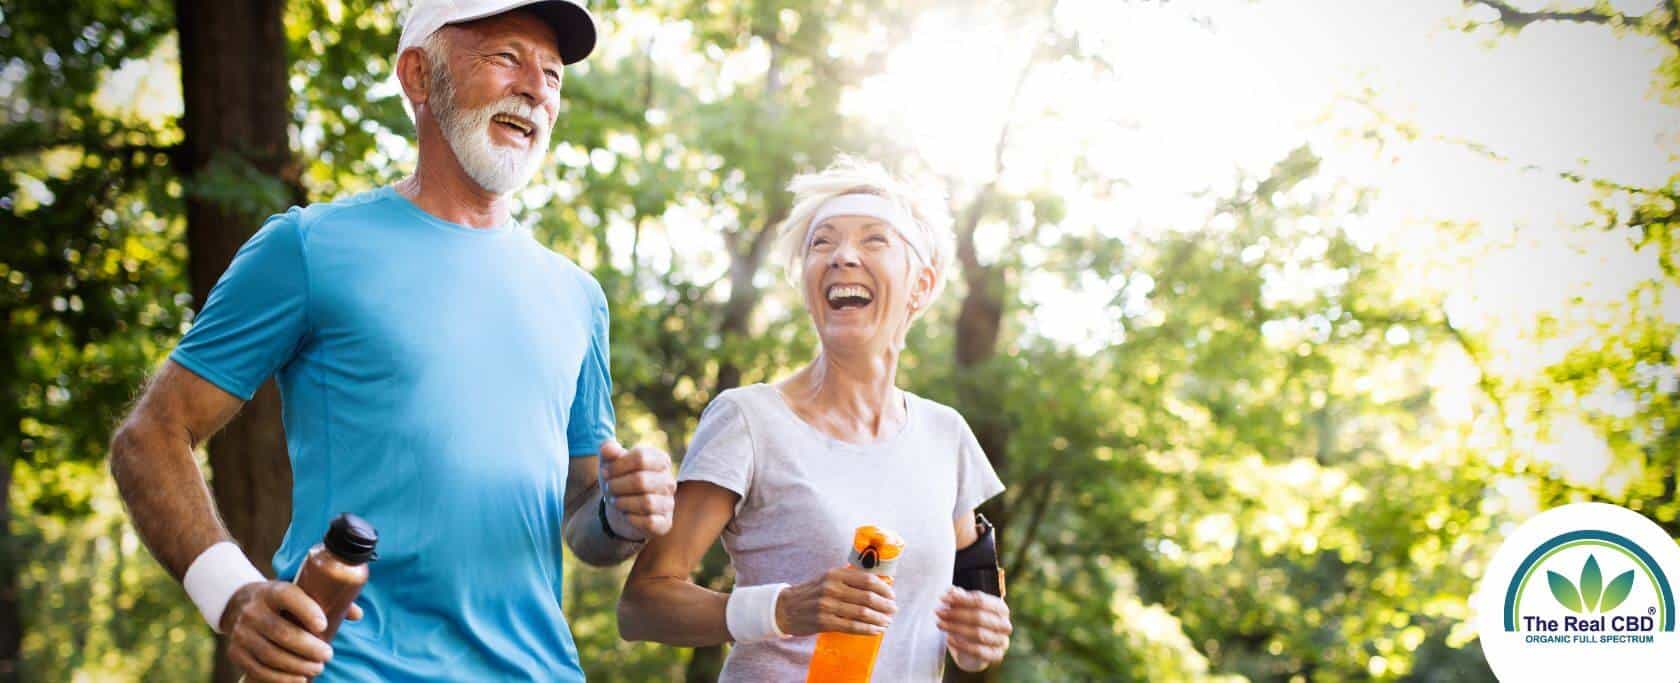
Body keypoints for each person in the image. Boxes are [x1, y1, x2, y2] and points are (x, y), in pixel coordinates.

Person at [107, 2, 677, 680]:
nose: (535, 88)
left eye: (552, 74)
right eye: (506, 57)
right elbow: (149, 437)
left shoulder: (579, 296)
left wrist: (622, 512)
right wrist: (233, 594)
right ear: (417, 75)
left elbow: (583, 516)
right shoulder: (310, 247)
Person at [617, 157, 1015, 680]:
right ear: (807, 286)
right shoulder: (749, 421)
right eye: (821, 243)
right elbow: (641, 604)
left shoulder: (946, 436)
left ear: (921, 283)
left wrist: (980, 636)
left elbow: (971, 594)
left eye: (874, 240)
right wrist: (780, 610)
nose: (842, 256)